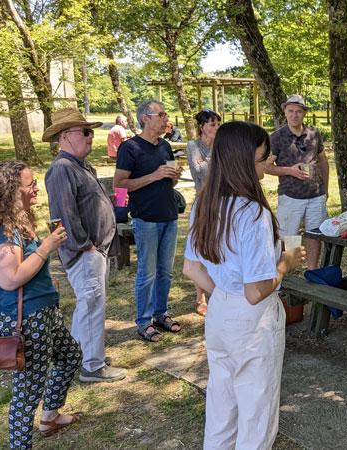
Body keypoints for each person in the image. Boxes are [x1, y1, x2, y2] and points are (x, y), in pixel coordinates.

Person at [182, 121, 306, 449]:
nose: (270, 161)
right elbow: (255, 291)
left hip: (221, 310)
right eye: (264, 157)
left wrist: (224, 289)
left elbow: (191, 268)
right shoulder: (253, 214)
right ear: (243, 162)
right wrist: (285, 263)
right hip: (253, 320)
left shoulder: (204, 203)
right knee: (256, 413)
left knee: (222, 406)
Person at [0, 161, 82, 448]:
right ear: (11, 191)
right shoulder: (3, 230)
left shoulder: (22, 219)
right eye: (29, 184)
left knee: (70, 356)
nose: (36, 188)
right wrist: (46, 247)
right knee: (27, 394)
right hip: (26, 320)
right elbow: (10, 279)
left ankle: (49, 416)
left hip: (44, 310)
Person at [43, 108, 128, 382]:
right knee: (91, 307)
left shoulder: (79, 165)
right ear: (65, 136)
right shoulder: (61, 168)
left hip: (94, 251)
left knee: (89, 306)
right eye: (86, 132)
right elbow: (64, 215)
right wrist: (86, 246)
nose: (91, 137)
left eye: (90, 131)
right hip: (85, 252)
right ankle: (92, 366)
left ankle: (76, 360)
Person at [114, 100, 184, 342]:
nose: (166, 119)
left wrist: (174, 176)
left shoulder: (165, 146)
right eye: (161, 115)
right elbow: (119, 185)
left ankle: (161, 314)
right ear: (146, 118)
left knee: (166, 272)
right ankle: (144, 321)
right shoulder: (130, 148)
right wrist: (154, 175)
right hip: (146, 219)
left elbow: (170, 182)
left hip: (169, 216)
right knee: (148, 272)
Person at [267, 94, 328, 270]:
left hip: (316, 195)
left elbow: (323, 160)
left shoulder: (314, 134)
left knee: (314, 235)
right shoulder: (277, 137)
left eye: (298, 111)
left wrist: (324, 188)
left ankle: (312, 271)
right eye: (291, 111)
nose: (294, 115)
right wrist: (289, 170)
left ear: (304, 113)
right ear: (285, 113)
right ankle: (287, 277)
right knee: (289, 238)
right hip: (290, 196)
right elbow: (266, 167)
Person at [186, 109, 222, 316]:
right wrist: (217, 159)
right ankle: (200, 296)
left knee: (217, 247)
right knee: (199, 248)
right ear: (202, 127)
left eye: (218, 124)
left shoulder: (220, 145)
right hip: (202, 203)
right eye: (211, 124)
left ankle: (216, 289)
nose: (216, 128)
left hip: (220, 201)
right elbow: (198, 171)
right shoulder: (193, 146)